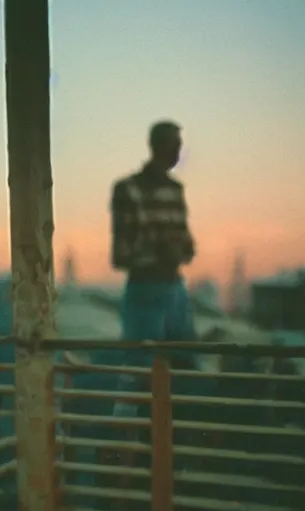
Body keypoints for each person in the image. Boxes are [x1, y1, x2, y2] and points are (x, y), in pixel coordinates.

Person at [109, 120, 197, 419]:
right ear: (159, 146)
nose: (178, 151)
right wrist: (163, 252)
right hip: (146, 288)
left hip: (173, 287)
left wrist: (181, 248)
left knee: (184, 364)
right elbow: (121, 253)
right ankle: (122, 445)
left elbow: (185, 243)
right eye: (175, 144)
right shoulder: (129, 189)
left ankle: (172, 439)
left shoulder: (174, 190)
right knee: (136, 370)